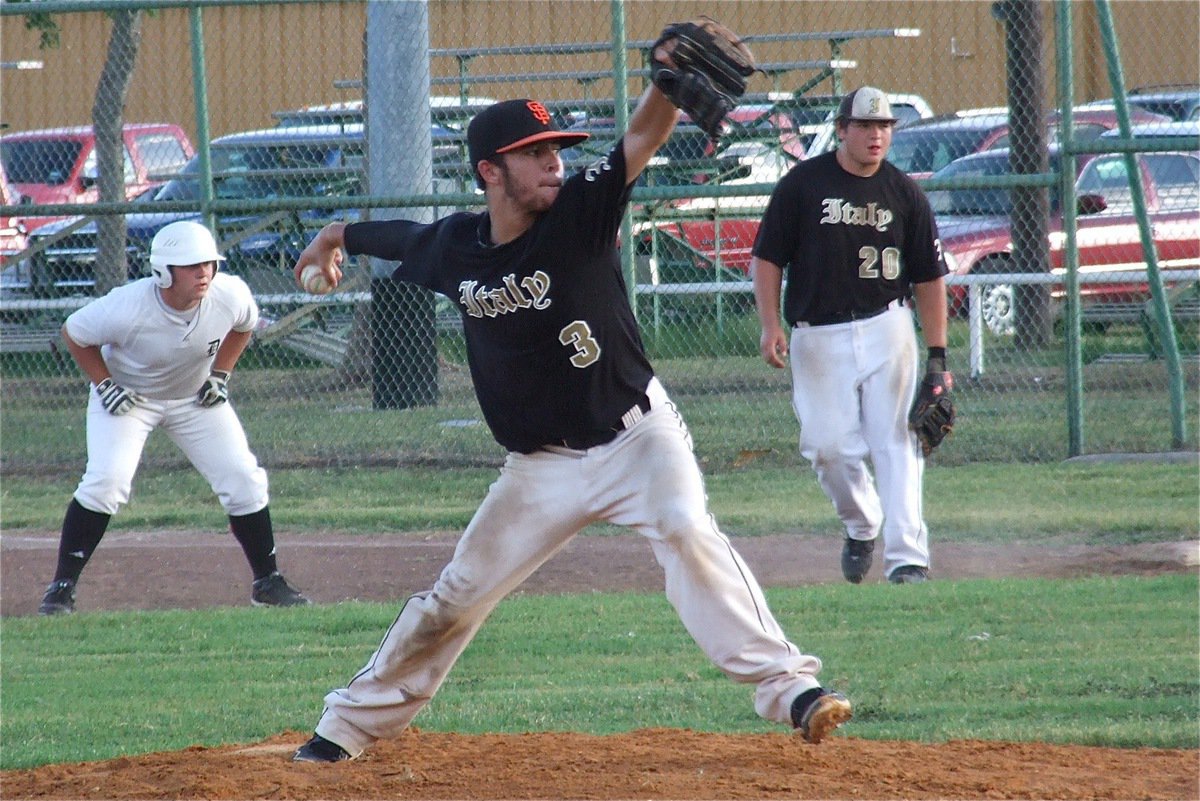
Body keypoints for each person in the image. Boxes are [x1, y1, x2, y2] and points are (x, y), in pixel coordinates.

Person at [288, 43, 852, 764]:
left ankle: (791, 689)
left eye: (557, 147)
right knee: (455, 596)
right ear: (491, 171)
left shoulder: (580, 213)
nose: (555, 160)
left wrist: (665, 86)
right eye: (534, 152)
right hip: (539, 469)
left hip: (635, 439)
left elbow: (640, 139)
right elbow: (396, 236)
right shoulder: (457, 247)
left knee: (686, 527)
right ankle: (344, 729)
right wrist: (333, 235)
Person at [37, 220, 309, 615]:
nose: (204, 273)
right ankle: (61, 588)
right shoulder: (127, 305)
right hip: (130, 399)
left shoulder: (229, 293)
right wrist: (105, 383)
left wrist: (220, 374)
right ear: (163, 271)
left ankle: (268, 582)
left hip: (193, 398)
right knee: (106, 481)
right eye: (192, 265)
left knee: (243, 478)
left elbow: (244, 326)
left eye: (209, 264)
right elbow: (75, 333)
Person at [749, 86, 951, 586]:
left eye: (883, 126)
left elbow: (929, 277)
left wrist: (938, 355)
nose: (876, 135)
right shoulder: (803, 185)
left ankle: (907, 559)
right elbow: (767, 258)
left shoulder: (905, 193)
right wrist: (770, 324)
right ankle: (862, 525)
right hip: (818, 335)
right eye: (864, 125)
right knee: (827, 448)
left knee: (898, 441)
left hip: (888, 326)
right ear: (841, 129)